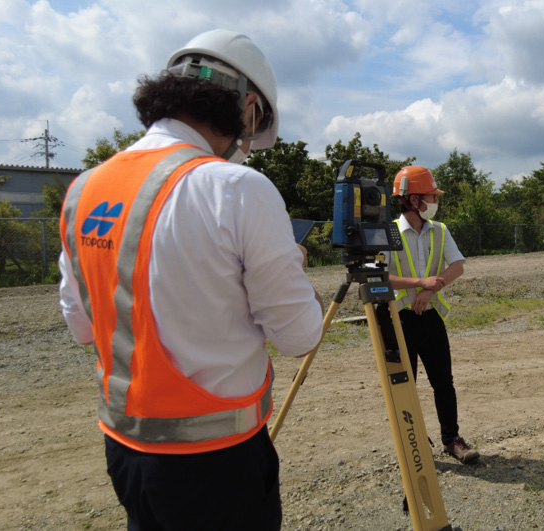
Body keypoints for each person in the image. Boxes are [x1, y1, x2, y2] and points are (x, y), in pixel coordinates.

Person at [57, 29, 324, 530]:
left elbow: (81, 326)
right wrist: (292, 268)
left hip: (124, 451)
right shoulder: (238, 188)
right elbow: (300, 336)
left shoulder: (84, 188)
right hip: (216, 464)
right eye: (256, 124)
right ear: (247, 108)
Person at [374, 165, 479, 464]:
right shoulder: (388, 232)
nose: (435, 200)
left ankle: (451, 439)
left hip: (431, 316)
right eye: (431, 195)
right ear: (413, 199)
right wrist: (420, 283)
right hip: (400, 320)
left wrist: (432, 288)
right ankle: (414, 441)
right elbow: (379, 278)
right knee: (406, 385)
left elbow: (457, 265)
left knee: (443, 382)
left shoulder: (440, 230)